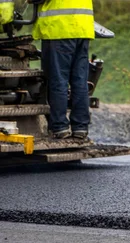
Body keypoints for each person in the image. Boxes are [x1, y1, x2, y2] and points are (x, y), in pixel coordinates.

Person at [33, 0, 94, 140]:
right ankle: (80, 127)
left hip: (59, 28)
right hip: (82, 28)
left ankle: (60, 127)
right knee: (79, 80)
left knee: (59, 80)